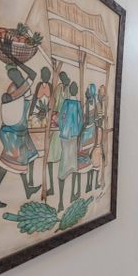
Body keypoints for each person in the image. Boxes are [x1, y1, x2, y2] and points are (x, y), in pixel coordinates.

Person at [0, 62, 41, 208]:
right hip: (13, 134)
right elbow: (33, 75)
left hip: (20, 132)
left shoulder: (20, 88)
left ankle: (27, 189)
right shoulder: (16, 90)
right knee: (7, 164)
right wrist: (16, 62)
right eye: (12, 74)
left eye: (16, 73)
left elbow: (26, 101)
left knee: (23, 159)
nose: (15, 76)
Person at [57, 81, 83, 212]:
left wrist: (63, 129)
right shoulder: (77, 104)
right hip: (73, 136)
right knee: (73, 163)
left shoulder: (67, 102)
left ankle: (61, 201)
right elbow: (81, 120)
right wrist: (77, 131)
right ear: (76, 90)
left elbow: (60, 118)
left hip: (66, 135)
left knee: (65, 162)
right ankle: (70, 196)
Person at [45, 72, 70, 196]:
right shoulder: (59, 88)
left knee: (62, 161)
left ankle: (61, 191)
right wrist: (54, 116)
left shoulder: (68, 91)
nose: (66, 80)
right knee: (50, 158)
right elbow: (53, 105)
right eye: (64, 78)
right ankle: (51, 186)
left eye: (66, 78)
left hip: (64, 129)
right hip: (57, 127)